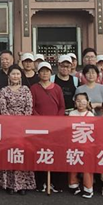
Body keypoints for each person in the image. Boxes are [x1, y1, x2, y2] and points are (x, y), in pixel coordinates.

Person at [0, 66, 35, 195]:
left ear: (21, 76)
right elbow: (3, 108)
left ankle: (23, 184)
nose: (15, 76)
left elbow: (29, 107)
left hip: (23, 127)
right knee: (10, 154)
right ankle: (9, 184)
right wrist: (11, 123)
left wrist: (22, 123)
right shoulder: (4, 91)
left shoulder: (26, 90)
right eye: (13, 74)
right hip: (8, 127)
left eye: (18, 74)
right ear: (9, 76)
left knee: (22, 154)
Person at [30, 62, 65, 193]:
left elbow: (62, 106)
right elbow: (32, 107)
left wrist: (56, 121)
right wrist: (40, 120)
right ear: (38, 73)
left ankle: (55, 182)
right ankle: (40, 182)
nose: (45, 73)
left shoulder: (57, 88)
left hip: (55, 126)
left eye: (47, 71)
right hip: (39, 126)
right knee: (40, 152)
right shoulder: (34, 88)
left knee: (54, 152)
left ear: (51, 73)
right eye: (42, 71)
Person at [67, 92, 95, 199]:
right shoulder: (71, 114)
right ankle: (73, 185)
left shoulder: (90, 114)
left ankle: (88, 188)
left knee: (87, 167)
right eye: (78, 101)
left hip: (87, 145)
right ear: (75, 102)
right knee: (73, 163)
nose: (80, 103)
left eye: (83, 101)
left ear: (87, 102)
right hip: (73, 144)